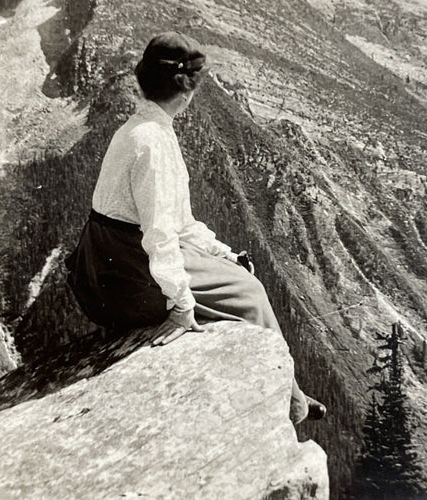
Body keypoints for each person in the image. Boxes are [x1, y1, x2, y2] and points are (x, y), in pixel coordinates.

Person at [65, 31, 326, 425]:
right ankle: (291, 403)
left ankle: (290, 392)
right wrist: (182, 306)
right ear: (186, 93)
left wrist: (223, 255)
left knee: (234, 272)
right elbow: (161, 235)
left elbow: (179, 223)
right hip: (127, 273)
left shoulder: (137, 130)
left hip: (102, 267)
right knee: (251, 293)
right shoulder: (154, 143)